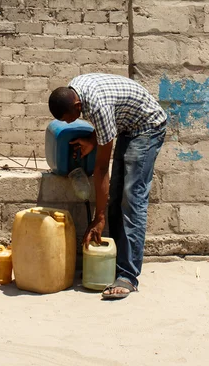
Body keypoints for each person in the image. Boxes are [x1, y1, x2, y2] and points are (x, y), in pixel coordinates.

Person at [48, 73, 167, 300]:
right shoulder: (76, 90)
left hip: (148, 127)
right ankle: (115, 261)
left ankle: (128, 276)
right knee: (115, 197)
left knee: (132, 199)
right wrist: (93, 140)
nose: (70, 123)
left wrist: (98, 217)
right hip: (127, 126)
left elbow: (102, 168)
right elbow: (110, 119)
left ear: (76, 104)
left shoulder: (97, 106)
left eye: (70, 118)